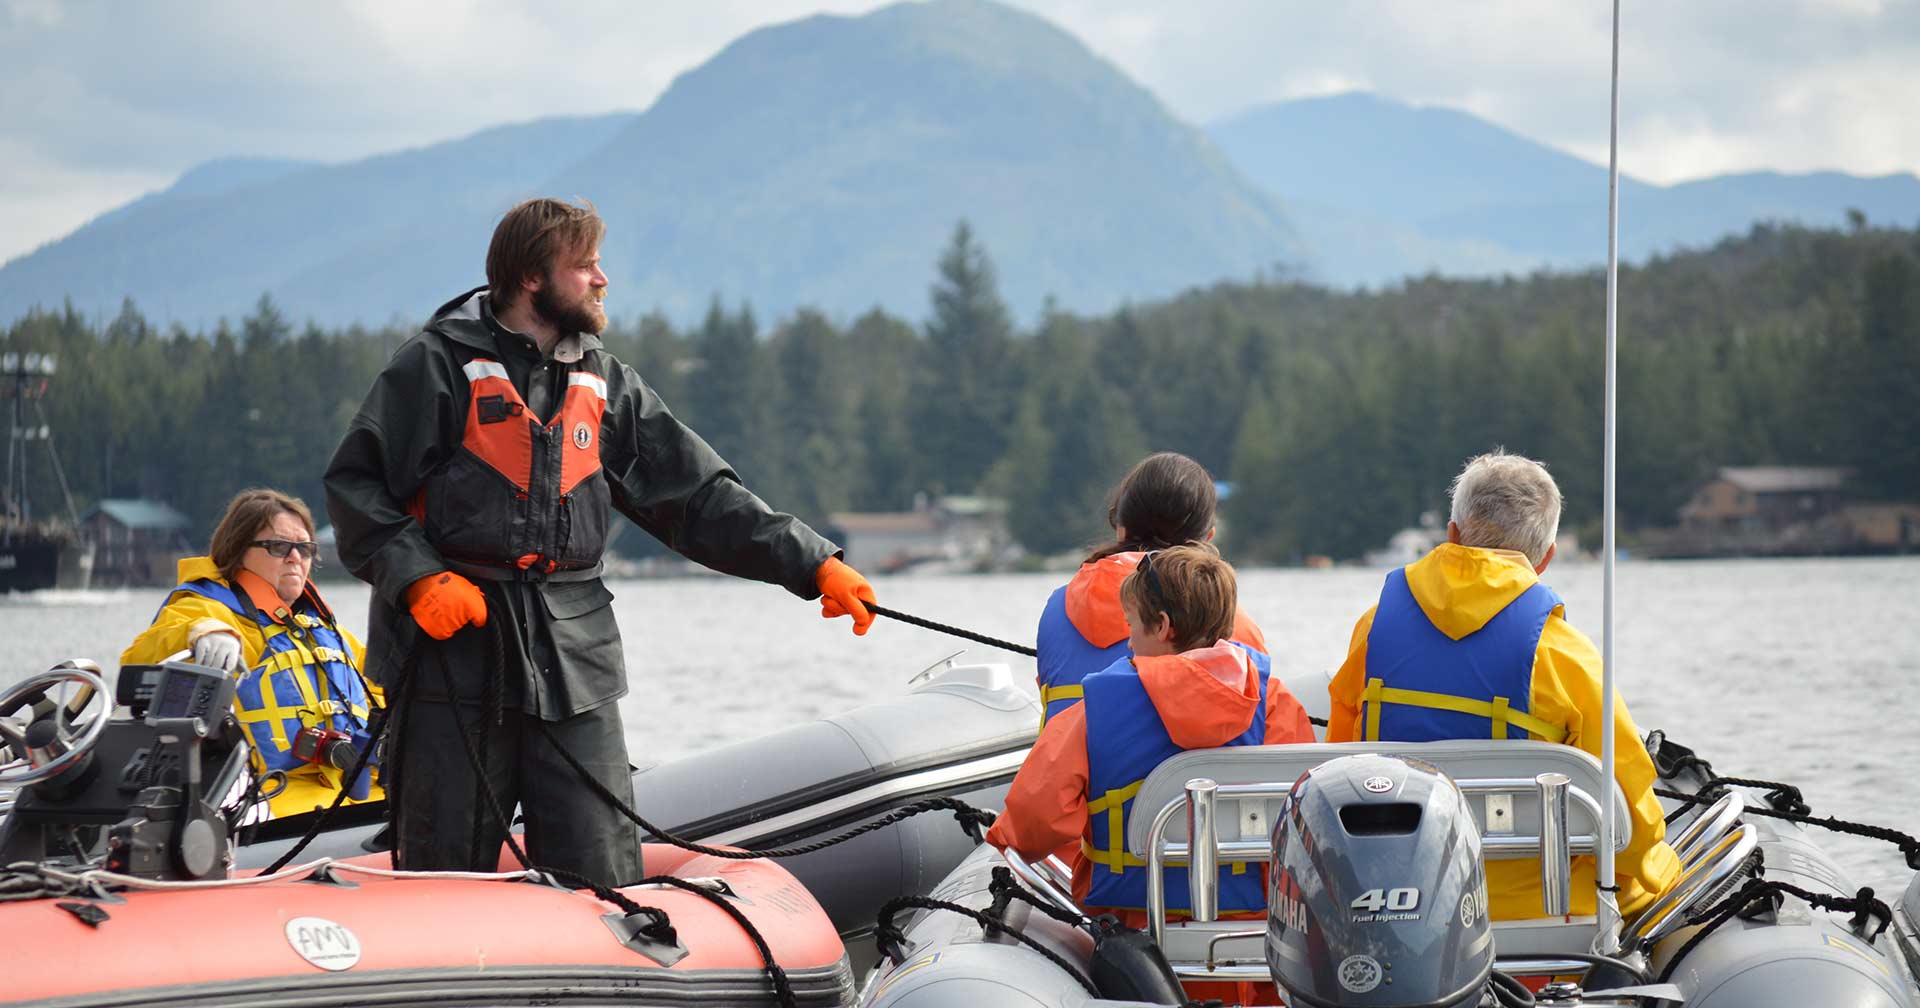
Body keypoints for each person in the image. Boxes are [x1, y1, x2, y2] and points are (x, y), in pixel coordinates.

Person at [323, 197, 876, 887]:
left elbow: (700, 498)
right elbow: (355, 486)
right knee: (443, 879)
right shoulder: (433, 367)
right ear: (531, 277)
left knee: (604, 880)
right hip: (450, 664)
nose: (601, 279)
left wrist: (815, 563)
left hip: (574, 663)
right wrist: (417, 578)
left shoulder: (608, 384)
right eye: (583, 266)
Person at [1326, 450, 1680, 920]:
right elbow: (1627, 819)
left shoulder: (1374, 629)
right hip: (1542, 914)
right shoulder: (1565, 655)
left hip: (1399, 902)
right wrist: (1662, 868)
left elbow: (1342, 758)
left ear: (1452, 534)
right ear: (1546, 559)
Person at [988, 544, 1311, 1007]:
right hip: (1250, 947)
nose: (1128, 641)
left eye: (1132, 625)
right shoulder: (1277, 704)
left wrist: (1002, 840)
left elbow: (1034, 825)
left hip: (1136, 953)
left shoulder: (1093, 712)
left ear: (1161, 627)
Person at [122, 488, 381, 821]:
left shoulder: (324, 630)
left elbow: (381, 686)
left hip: (359, 796)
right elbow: (142, 655)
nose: (295, 557)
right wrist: (202, 632)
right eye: (278, 546)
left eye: (304, 548)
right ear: (238, 550)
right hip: (276, 802)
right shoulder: (213, 612)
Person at [1035, 452, 1269, 727]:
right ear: (1208, 537)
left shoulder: (1058, 607)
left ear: (1121, 527)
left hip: (1080, 763)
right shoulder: (1225, 620)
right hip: (1185, 768)